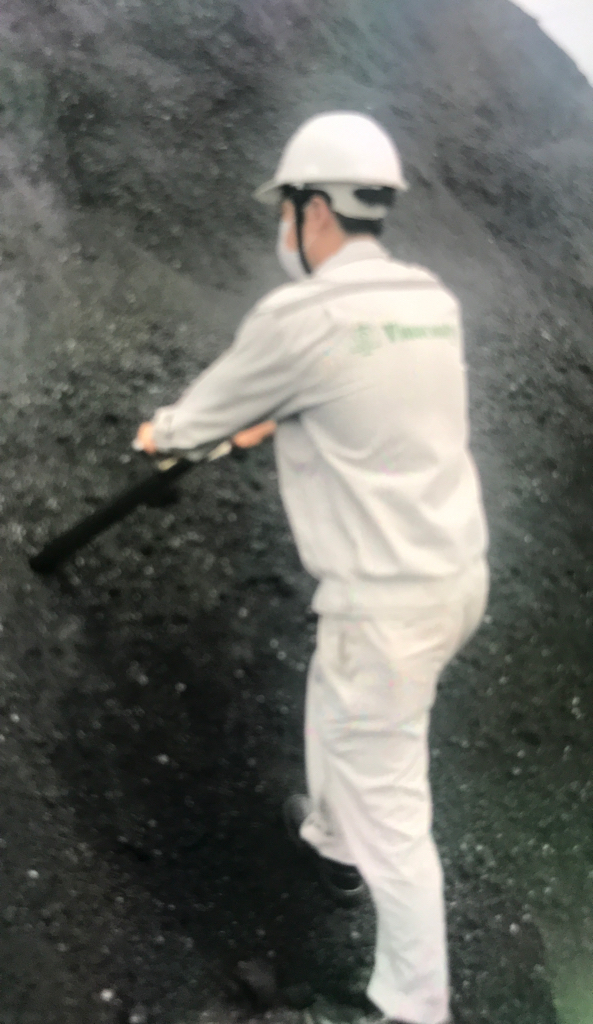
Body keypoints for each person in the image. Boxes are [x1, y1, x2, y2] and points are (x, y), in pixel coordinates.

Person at [135, 111, 489, 1024]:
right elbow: (373, 396)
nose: (283, 226)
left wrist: (160, 436)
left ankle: (412, 1006)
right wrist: (288, 409)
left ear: (313, 208)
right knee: (341, 705)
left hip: (387, 605)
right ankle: (331, 840)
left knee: (394, 811)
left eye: (286, 208)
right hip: (453, 575)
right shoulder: (428, 301)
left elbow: (196, 423)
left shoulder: (302, 314)